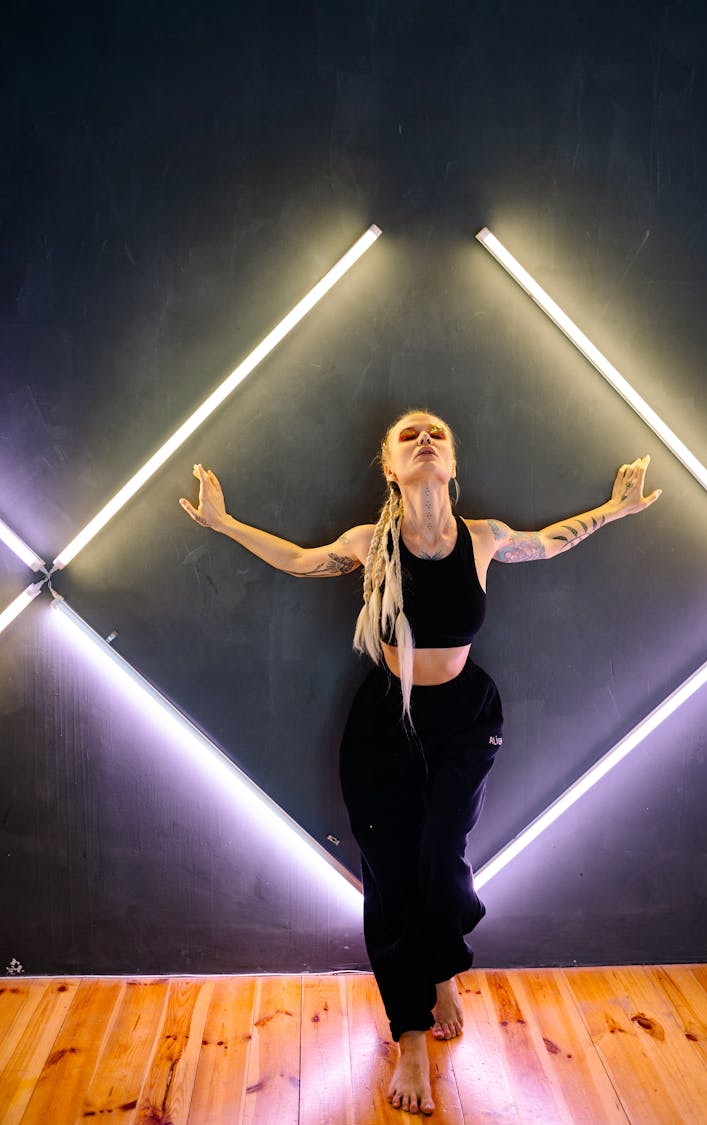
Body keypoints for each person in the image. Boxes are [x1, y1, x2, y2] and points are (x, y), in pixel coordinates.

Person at [180, 409, 661, 1116]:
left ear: (453, 463)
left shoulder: (484, 537)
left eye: (436, 431)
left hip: (464, 719)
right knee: (391, 877)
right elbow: (300, 558)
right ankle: (409, 1034)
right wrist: (224, 524)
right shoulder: (370, 545)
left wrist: (615, 511)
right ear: (390, 468)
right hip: (385, 724)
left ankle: (443, 965)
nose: (425, 438)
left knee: (442, 856)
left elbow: (549, 544)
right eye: (409, 435)